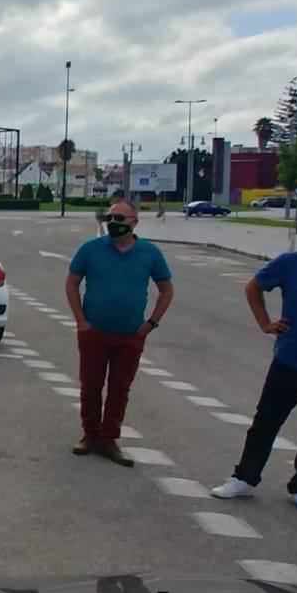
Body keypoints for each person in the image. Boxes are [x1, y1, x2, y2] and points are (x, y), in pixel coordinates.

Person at [210, 211, 297, 516]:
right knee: (266, 422)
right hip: (291, 359)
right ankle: (244, 477)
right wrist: (265, 323)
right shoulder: (291, 264)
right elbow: (254, 287)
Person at [65, 199, 174, 466]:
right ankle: (89, 434)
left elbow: (166, 290)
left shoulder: (150, 253)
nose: (113, 223)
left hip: (130, 335)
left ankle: (108, 439)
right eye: (110, 218)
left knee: (120, 388)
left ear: (134, 223)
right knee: (90, 385)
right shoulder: (91, 249)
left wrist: (150, 325)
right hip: (94, 332)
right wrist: (81, 321)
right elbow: (72, 284)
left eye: (120, 219)